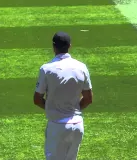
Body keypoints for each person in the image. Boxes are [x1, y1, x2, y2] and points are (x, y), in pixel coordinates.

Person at [33, 31, 93, 160]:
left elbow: (37, 99)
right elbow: (88, 99)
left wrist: (53, 108)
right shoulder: (81, 67)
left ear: (54, 47)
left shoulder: (46, 69)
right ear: (69, 46)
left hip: (57, 125)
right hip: (77, 125)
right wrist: (73, 109)